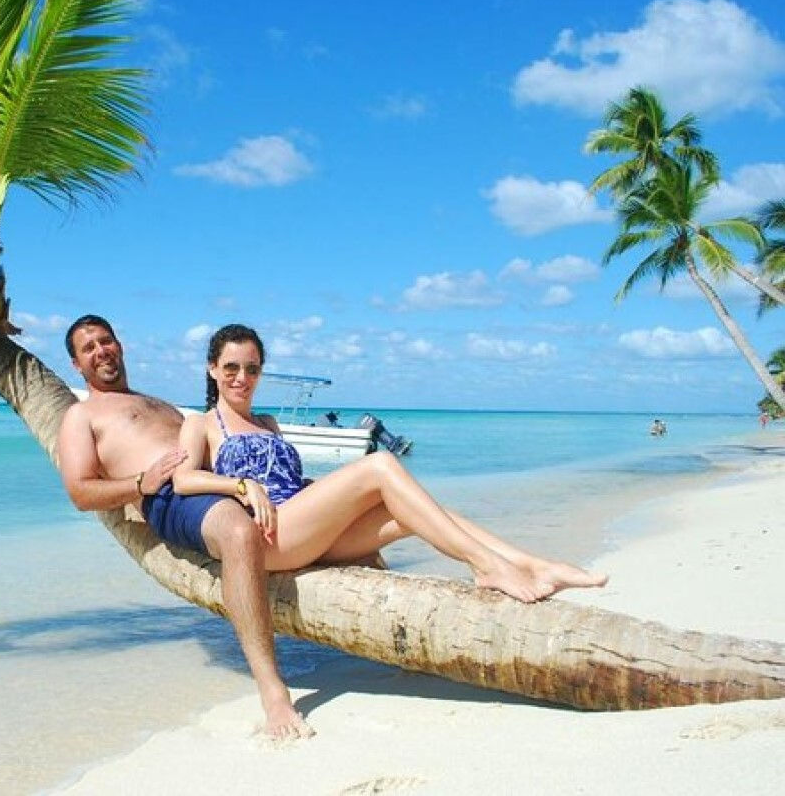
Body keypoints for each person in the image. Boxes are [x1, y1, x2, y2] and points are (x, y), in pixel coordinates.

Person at [171, 323, 608, 611]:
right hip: (268, 540)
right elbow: (183, 479)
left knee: (418, 513)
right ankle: (485, 566)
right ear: (212, 369)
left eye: (251, 368)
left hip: (306, 530)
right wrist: (242, 486)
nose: (241, 378)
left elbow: (293, 484)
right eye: (230, 368)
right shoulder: (202, 424)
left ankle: (532, 564)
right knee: (380, 463)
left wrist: (339, 500)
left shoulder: (268, 423)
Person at [57, 314, 318, 740]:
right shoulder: (81, 416)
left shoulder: (157, 403)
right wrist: (141, 483)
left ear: (119, 345)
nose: (101, 350)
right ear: (76, 364)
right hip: (171, 498)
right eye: (89, 348)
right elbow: (81, 492)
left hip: (217, 484)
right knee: (238, 532)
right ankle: (272, 691)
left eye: (106, 341)